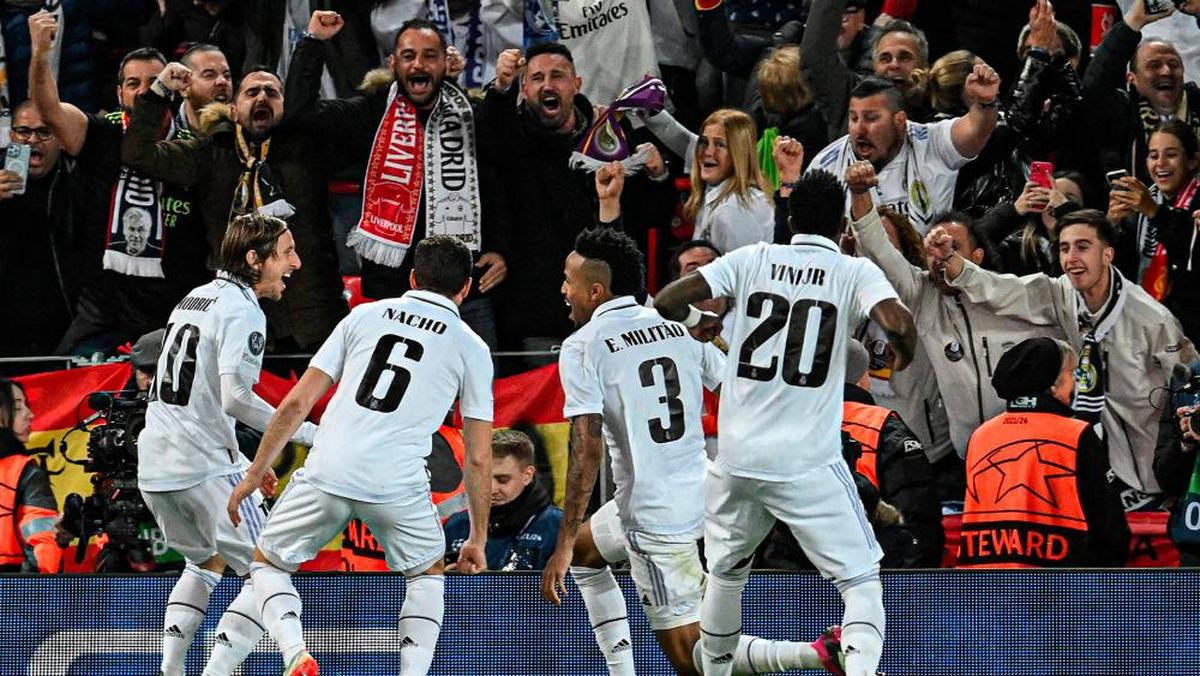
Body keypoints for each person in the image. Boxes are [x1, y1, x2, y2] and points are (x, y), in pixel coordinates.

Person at [546, 226, 847, 676]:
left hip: (652, 516)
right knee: (590, 554)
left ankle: (816, 654)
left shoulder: (582, 346)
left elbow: (586, 447)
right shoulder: (676, 324)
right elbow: (737, 388)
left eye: (569, 280)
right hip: (702, 488)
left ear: (595, 290)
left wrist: (561, 542)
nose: (563, 289)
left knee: (695, 659)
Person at [654, 168, 918, 676]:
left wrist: (701, 323)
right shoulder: (851, 270)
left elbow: (668, 300)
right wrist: (900, 357)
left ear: (790, 218)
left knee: (727, 575)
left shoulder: (752, 259)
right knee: (861, 582)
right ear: (842, 224)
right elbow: (898, 323)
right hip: (806, 462)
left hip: (736, 460)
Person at [228, 235, 493, 676]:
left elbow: (296, 404)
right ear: (466, 288)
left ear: (412, 277)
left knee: (268, 565)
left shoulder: (363, 317)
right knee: (427, 575)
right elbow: (480, 457)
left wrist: (256, 473)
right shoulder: (472, 348)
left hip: (330, 467)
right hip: (397, 482)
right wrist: (478, 538)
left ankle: (294, 649)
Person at [137, 213, 316, 676]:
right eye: (286, 253)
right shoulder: (243, 310)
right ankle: (294, 652)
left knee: (204, 561)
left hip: (157, 466)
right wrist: (310, 433)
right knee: (270, 564)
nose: (296, 262)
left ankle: (171, 670)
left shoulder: (195, 297)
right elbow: (235, 399)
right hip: (202, 468)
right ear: (254, 260)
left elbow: (200, 400)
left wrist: (243, 460)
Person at [928, 208, 1200, 507]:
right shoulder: (1061, 294)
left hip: (1147, 474)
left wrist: (1179, 475)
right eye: (1064, 248)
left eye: (1083, 247)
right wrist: (952, 261)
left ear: (1108, 254)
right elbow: (1001, 289)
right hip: (1096, 464)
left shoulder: (1153, 321)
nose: (1071, 258)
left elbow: (1188, 386)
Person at [286, 13, 507, 350]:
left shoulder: (469, 116)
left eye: (429, 56)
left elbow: (496, 185)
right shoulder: (371, 114)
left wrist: (500, 247)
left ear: (446, 63)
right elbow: (300, 115)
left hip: (465, 292)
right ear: (392, 64)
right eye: (408, 55)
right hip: (393, 293)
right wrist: (313, 43)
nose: (418, 63)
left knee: (478, 399)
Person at [118, 47, 349, 352]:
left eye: (272, 93)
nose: (262, 98)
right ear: (233, 109)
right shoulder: (210, 154)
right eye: (251, 92)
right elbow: (138, 154)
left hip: (315, 319)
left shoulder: (307, 151)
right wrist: (159, 92)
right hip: (240, 320)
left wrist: (314, 44)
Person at [844, 160, 1063, 461]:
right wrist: (860, 194)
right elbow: (879, 248)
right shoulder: (921, 295)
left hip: (1026, 452)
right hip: (962, 457)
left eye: (951, 247)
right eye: (933, 248)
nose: (941, 255)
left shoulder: (1007, 295)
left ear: (977, 256)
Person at [29, 13, 208, 356]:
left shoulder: (192, 147)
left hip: (174, 299)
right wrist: (40, 55)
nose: (144, 91)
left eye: (154, 81)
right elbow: (48, 110)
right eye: (133, 83)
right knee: (67, 380)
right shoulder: (99, 133)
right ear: (118, 91)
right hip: (103, 298)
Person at [480, 42, 670, 356]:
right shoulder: (512, 141)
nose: (548, 85)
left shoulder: (608, 139)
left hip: (608, 319)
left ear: (576, 84)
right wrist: (501, 86)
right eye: (537, 78)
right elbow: (489, 127)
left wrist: (658, 175)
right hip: (537, 319)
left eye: (557, 76)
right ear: (524, 89)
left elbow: (650, 214)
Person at [959, 337, 1130, 567]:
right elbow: (1109, 524)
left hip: (986, 586)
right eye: (1072, 374)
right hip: (1060, 587)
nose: (1076, 384)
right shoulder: (1076, 434)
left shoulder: (980, 435)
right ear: (1053, 385)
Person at [807, 71, 1000, 234]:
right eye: (854, 118)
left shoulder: (930, 142)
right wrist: (786, 181)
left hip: (927, 271)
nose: (860, 129)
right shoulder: (826, 165)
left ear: (899, 120)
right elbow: (802, 225)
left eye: (871, 118)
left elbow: (976, 130)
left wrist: (985, 102)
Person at [842, 342, 943, 567]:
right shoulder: (882, 426)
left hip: (796, 585)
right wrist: (910, 589)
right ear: (862, 377)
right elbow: (916, 517)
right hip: (870, 579)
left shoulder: (788, 425)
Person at [0, 101, 86, 357]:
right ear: (11, 135)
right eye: (23, 131)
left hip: (61, 325)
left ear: (60, 139)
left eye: (44, 132)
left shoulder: (78, 182)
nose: (32, 140)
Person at [1082, 0, 1200, 185]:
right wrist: (1132, 24)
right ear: (1132, 79)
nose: (1166, 71)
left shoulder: (1197, 105)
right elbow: (1094, 87)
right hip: (1137, 211)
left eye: (1174, 64)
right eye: (1154, 65)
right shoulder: (1123, 115)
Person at [1106, 120, 1200, 343]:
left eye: (1171, 155)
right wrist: (1113, 226)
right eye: (1153, 155)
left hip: (1191, 329)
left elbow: (1189, 251)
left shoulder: (1152, 205)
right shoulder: (1140, 204)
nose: (1160, 164)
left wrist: (1154, 212)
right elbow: (1122, 269)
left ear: (1192, 161)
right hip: (1143, 326)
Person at [802, 0, 933, 139]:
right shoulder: (851, 95)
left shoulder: (939, 105)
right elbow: (816, 55)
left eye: (905, 57)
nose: (894, 65)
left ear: (924, 65)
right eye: (885, 58)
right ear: (874, 65)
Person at [444, 429, 561, 571]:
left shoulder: (558, 527)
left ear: (527, 475)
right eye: (484, 478)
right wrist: (448, 582)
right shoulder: (455, 526)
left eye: (503, 479)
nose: (491, 489)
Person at [0, 379, 61, 574]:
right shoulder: (22, 470)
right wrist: (37, 597)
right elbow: (43, 541)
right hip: (13, 591)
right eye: (17, 408)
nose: (30, 414)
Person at [976, 171, 1087, 277]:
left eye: (1067, 200)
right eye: (1047, 195)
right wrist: (1013, 211)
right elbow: (972, 243)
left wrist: (1066, 212)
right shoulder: (1012, 246)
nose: (1054, 202)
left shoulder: (1092, 247)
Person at [176, 43, 232, 133]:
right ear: (184, 87)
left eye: (227, 75)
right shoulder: (163, 129)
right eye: (209, 75)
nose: (223, 81)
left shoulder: (245, 130)